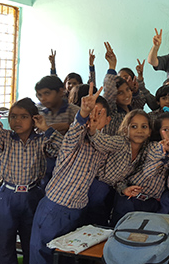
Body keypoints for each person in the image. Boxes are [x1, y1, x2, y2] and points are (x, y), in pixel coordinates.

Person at [0, 88, 63, 264]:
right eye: (13, 116)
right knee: (3, 241)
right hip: (7, 195)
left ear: (34, 119)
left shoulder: (41, 140)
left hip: (32, 194)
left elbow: (63, 150)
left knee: (31, 239)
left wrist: (46, 129)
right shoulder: (5, 139)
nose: (17, 121)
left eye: (23, 116)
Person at [29, 87, 110, 264]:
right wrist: (82, 114)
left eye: (99, 114)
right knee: (43, 255)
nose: (93, 117)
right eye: (90, 113)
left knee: (66, 257)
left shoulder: (103, 145)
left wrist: (47, 129)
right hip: (54, 208)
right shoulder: (74, 139)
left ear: (108, 120)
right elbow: (72, 135)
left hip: (78, 209)